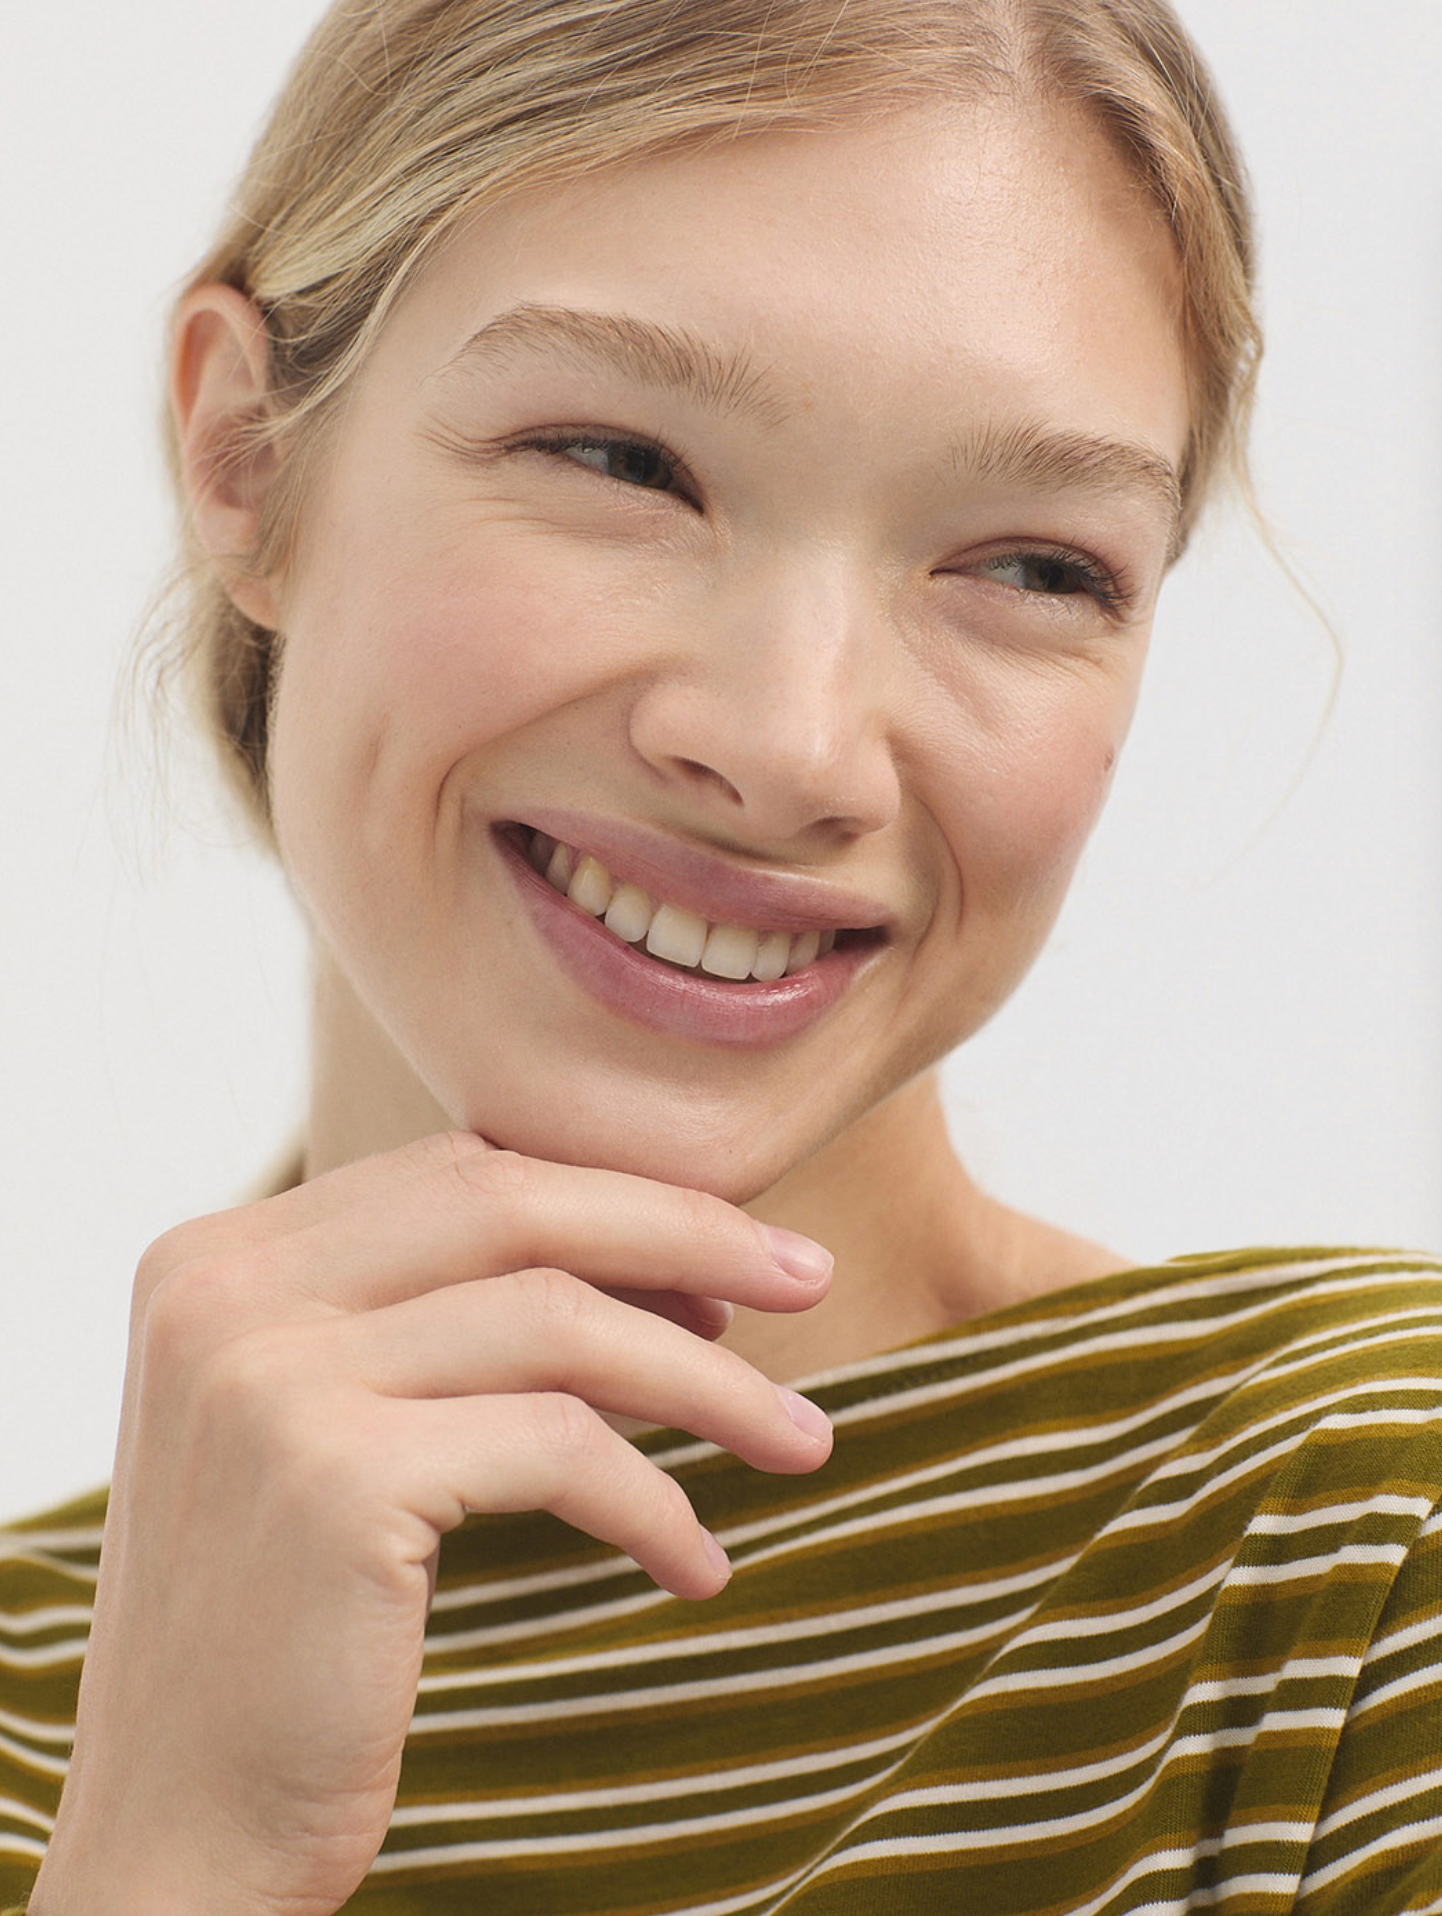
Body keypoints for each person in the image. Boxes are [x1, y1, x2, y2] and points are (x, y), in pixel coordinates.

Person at [4, 0, 1440, 1911]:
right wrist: (172, 1865)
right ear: (247, 456)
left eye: (1029, 566)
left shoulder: (1360, 1538)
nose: (788, 745)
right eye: (620, 458)